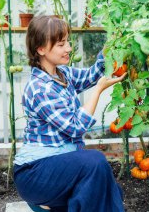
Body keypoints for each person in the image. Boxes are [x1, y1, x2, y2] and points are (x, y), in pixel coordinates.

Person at [13, 15, 126, 212]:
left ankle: (56, 206)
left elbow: (92, 74)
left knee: (111, 191)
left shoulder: (62, 74)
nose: (69, 49)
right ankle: (49, 202)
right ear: (40, 49)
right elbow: (75, 127)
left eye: (68, 42)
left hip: (56, 165)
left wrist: (113, 45)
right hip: (35, 174)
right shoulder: (40, 88)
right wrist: (98, 91)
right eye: (61, 44)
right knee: (96, 163)